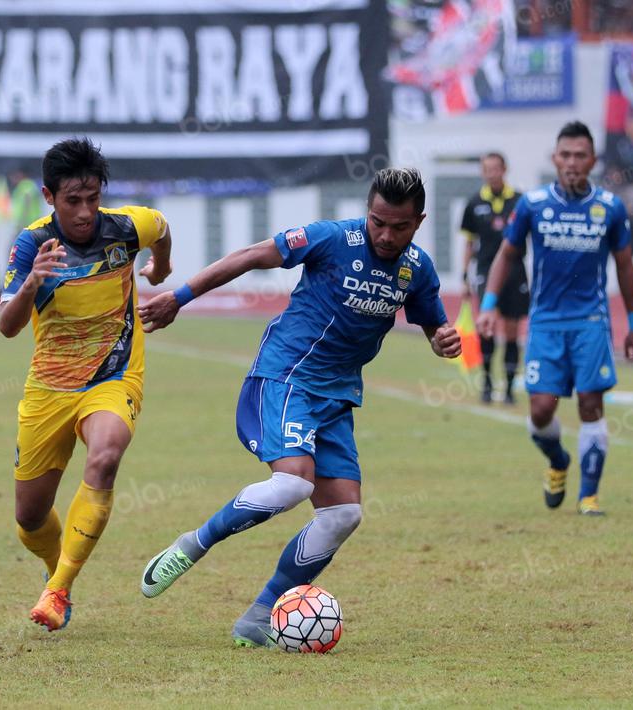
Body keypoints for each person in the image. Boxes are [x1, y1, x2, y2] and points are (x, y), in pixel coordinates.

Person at [136, 167, 461, 646]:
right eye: (378, 222)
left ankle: (260, 615)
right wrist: (179, 298)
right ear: (367, 212)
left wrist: (443, 339)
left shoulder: (418, 269)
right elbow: (251, 256)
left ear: (419, 221)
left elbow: (434, 326)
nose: (386, 235)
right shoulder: (332, 239)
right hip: (286, 375)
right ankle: (194, 544)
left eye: (399, 226)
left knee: (343, 516)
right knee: (292, 483)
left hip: (337, 397)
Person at [0, 137, 173, 632]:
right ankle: (55, 569)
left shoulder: (125, 227)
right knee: (30, 519)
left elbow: (160, 228)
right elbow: (7, 327)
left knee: (106, 454)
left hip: (113, 376)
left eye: (92, 198)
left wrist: (161, 265)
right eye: (72, 200)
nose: (84, 211)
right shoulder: (33, 244)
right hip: (49, 387)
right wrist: (32, 283)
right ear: (49, 196)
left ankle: (58, 590)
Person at [478, 121, 633, 516]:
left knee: (590, 404)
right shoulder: (533, 205)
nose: (571, 163)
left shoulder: (610, 207)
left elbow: (625, 266)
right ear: (555, 159)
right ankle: (558, 461)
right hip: (546, 323)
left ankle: (589, 496)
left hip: (590, 322)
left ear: (592, 160)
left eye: (579, 155)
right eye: (565, 155)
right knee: (540, 411)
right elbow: (506, 254)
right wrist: (487, 305)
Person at [459, 152, 527, 404]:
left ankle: (508, 390)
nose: (491, 173)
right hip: (486, 272)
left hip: (516, 272)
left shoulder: (520, 201)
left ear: (504, 169)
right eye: (486, 169)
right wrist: (465, 275)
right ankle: (486, 383)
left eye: (495, 168)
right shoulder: (474, 202)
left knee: (511, 330)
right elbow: (469, 243)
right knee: (486, 327)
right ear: (482, 172)